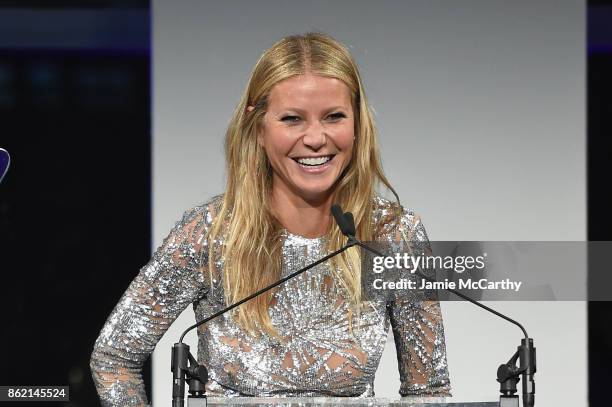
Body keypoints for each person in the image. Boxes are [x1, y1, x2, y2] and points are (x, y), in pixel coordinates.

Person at [90, 32, 451, 406]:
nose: (315, 138)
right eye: (292, 119)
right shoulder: (211, 233)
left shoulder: (393, 236)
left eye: (334, 117)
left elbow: (430, 392)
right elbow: (115, 358)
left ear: (357, 124)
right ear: (258, 127)